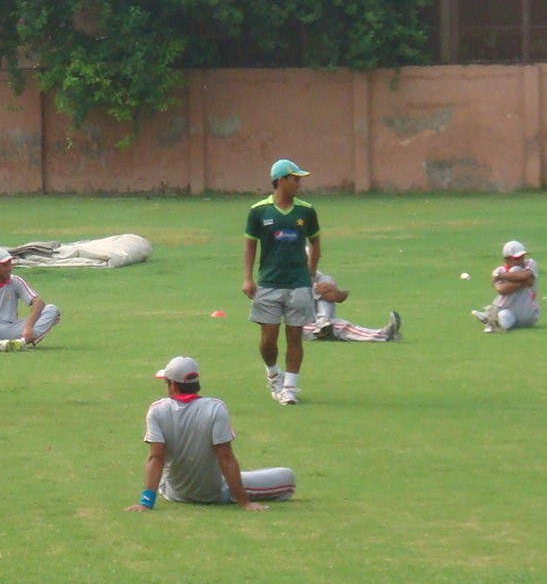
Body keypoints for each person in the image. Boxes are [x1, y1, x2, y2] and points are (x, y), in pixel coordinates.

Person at [125, 356, 294, 512]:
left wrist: (145, 502)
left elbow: (156, 458)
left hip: (173, 492)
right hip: (215, 494)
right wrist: (244, 502)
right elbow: (225, 457)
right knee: (287, 477)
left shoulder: (157, 410)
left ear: (173, 385)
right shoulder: (214, 408)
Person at [243, 159, 320, 404]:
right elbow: (250, 245)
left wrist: (310, 273)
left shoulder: (306, 211)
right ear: (280, 180)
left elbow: (315, 243)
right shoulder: (259, 211)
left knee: (295, 336)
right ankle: (273, 375)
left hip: (298, 283)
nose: (299, 184)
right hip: (269, 283)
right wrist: (247, 278)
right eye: (295, 179)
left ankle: (289, 387)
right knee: (268, 338)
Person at [304, 271, 400, 342]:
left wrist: (333, 289)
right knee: (339, 326)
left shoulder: (317, 275)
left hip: (318, 323)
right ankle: (383, 335)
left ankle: (323, 323)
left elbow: (339, 296)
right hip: (299, 326)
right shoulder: (293, 280)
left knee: (326, 280)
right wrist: (321, 290)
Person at [474, 241, 540, 332]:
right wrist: (524, 283)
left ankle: (492, 312)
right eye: (517, 258)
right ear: (507, 260)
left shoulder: (530, 263)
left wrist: (499, 276)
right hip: (510, 312)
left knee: (516, 270)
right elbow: (501, 289)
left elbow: (523, 276)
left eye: (522, 257)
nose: (521, 260)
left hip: (527, 312)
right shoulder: (500, 270)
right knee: (504, 315)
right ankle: (492, 324)